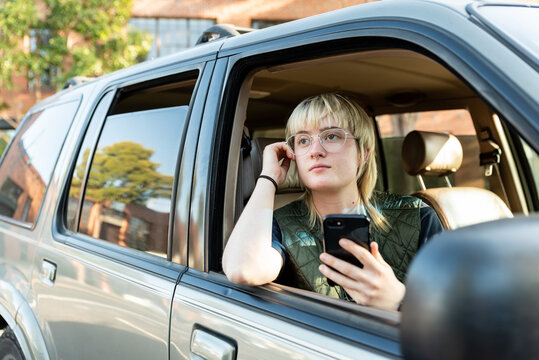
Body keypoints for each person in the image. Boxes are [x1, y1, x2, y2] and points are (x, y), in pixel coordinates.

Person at [222, 93, 443, 311]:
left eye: (331, 136)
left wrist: (399, 300)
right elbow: (242, 270)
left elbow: (452, 313)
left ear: (363, 153)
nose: (315, 151)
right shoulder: (279, 224)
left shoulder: (417, 215)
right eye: (303, 140)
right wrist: (269, 177)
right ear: (293, 154)